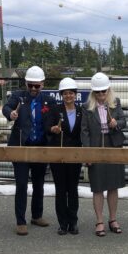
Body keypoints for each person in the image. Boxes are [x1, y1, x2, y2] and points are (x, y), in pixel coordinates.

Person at [2, 65, 54, 236]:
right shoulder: (18, 97)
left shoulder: (49, 101)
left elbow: (54, 119)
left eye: (36, 85)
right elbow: (6, 108)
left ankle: (37, 216)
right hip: (21, 147)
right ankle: (20, 221)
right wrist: (11, 114)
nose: (33, 89)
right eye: (30, 85)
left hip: (40, 148)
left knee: (39, 184)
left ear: (43, 84)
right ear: (25, 84)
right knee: (22, 184)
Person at [80, 72, 126, 237]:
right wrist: (88, 154)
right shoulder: (86, 108)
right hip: (95, 148)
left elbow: (123, 121)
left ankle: (113, 219)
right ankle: (99, 221)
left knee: (113, 186)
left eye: (103, 91)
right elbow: (84, 131)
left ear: (108, 90)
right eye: (97, 92)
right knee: (98, 187)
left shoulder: (116, 103)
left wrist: (116, 123)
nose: (100, 95)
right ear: (93, 92)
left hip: (113, 147)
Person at [45, 77, 83, 236]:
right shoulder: (55, 110)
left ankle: (73, 222)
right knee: (60, 189)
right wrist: (52, 129)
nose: (68, 96)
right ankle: (62, 223)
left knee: (72, 189)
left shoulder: (81, 111)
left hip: (75, 155)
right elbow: (47, 126)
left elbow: (83, 132)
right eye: (65, 93)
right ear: (61, 95)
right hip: (58, 154)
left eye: (71, 93)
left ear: (75, 94)